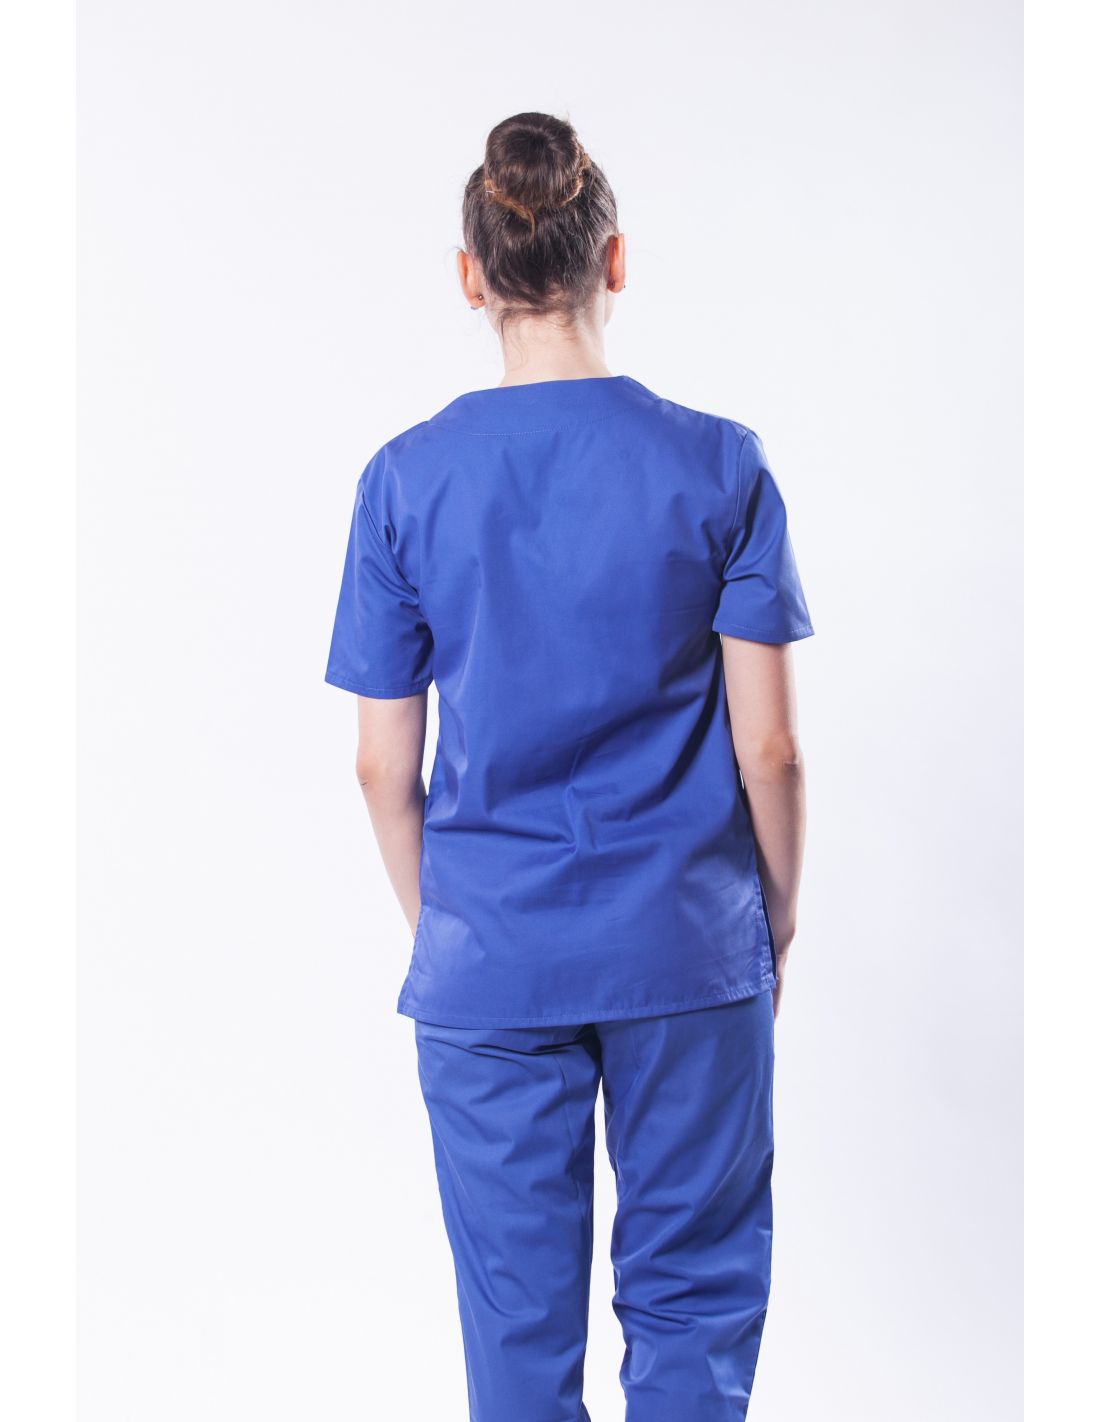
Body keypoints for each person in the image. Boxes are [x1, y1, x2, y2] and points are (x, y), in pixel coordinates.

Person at [325, 111, 813, 1422]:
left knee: (515, 1331)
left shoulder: (403, 481)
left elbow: (381, 768)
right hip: (686, 941)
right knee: (696, 1303)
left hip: (491, 951)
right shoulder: (720, 463)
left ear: (471, 277)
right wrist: (770, 918)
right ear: (616, 260)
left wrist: (449, 923)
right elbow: (770, 744)